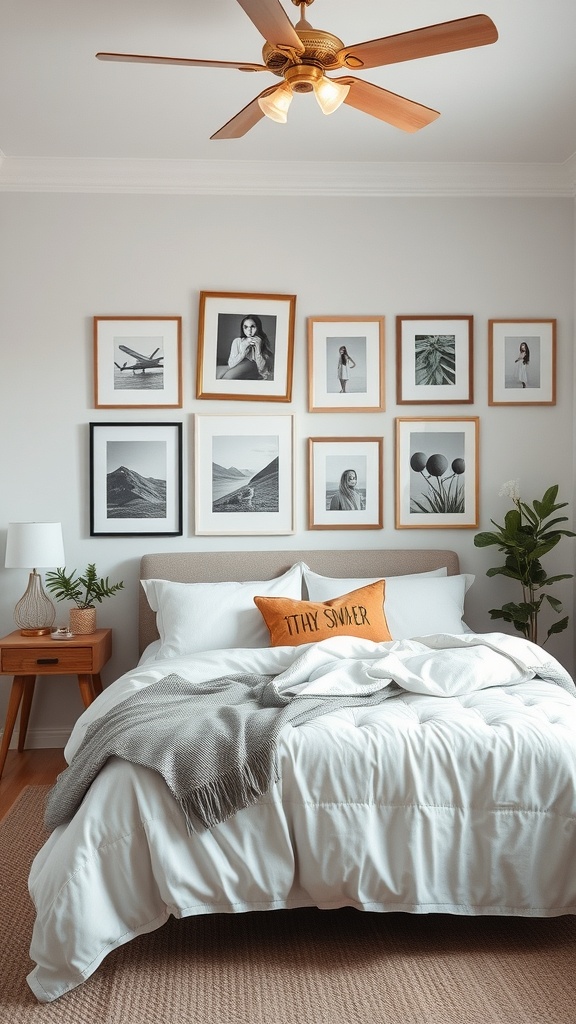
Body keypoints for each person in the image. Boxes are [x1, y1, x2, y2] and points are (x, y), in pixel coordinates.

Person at [216, 315, 274, 381]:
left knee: (227, 377)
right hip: (236, 367)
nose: (249, 330)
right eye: (246, 327)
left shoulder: (261, 342)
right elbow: (231, 364)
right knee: (217, 373)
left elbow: (261, 369)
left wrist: (258, 349)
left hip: (254, 370)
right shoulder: (237, 341)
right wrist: (243, 352)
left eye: (252, 326)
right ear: (242, 328)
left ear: (258, 327)